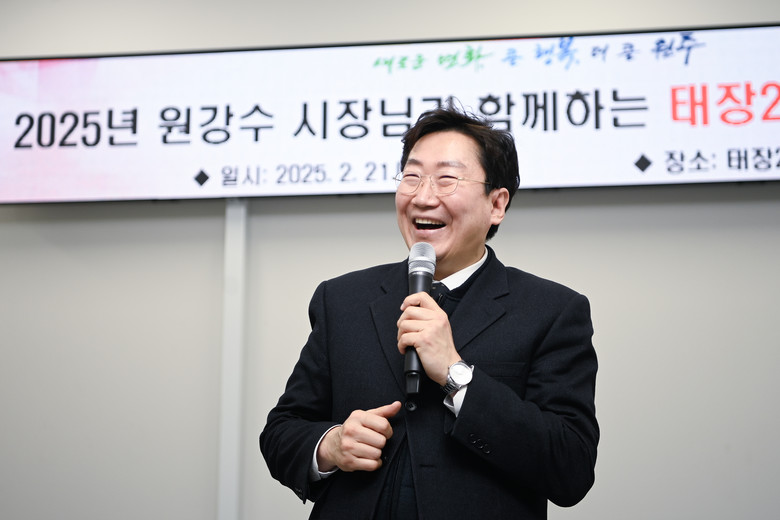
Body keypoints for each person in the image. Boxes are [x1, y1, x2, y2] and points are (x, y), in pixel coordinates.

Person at [260, 104, 599, 519]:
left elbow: (570, 467)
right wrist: (329, 445)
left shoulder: (552, 311)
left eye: (447, 179)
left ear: (497, 204)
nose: (422, 196)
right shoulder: (342, 299)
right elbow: (282, 431)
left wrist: (456, 374)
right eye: (412, 176)